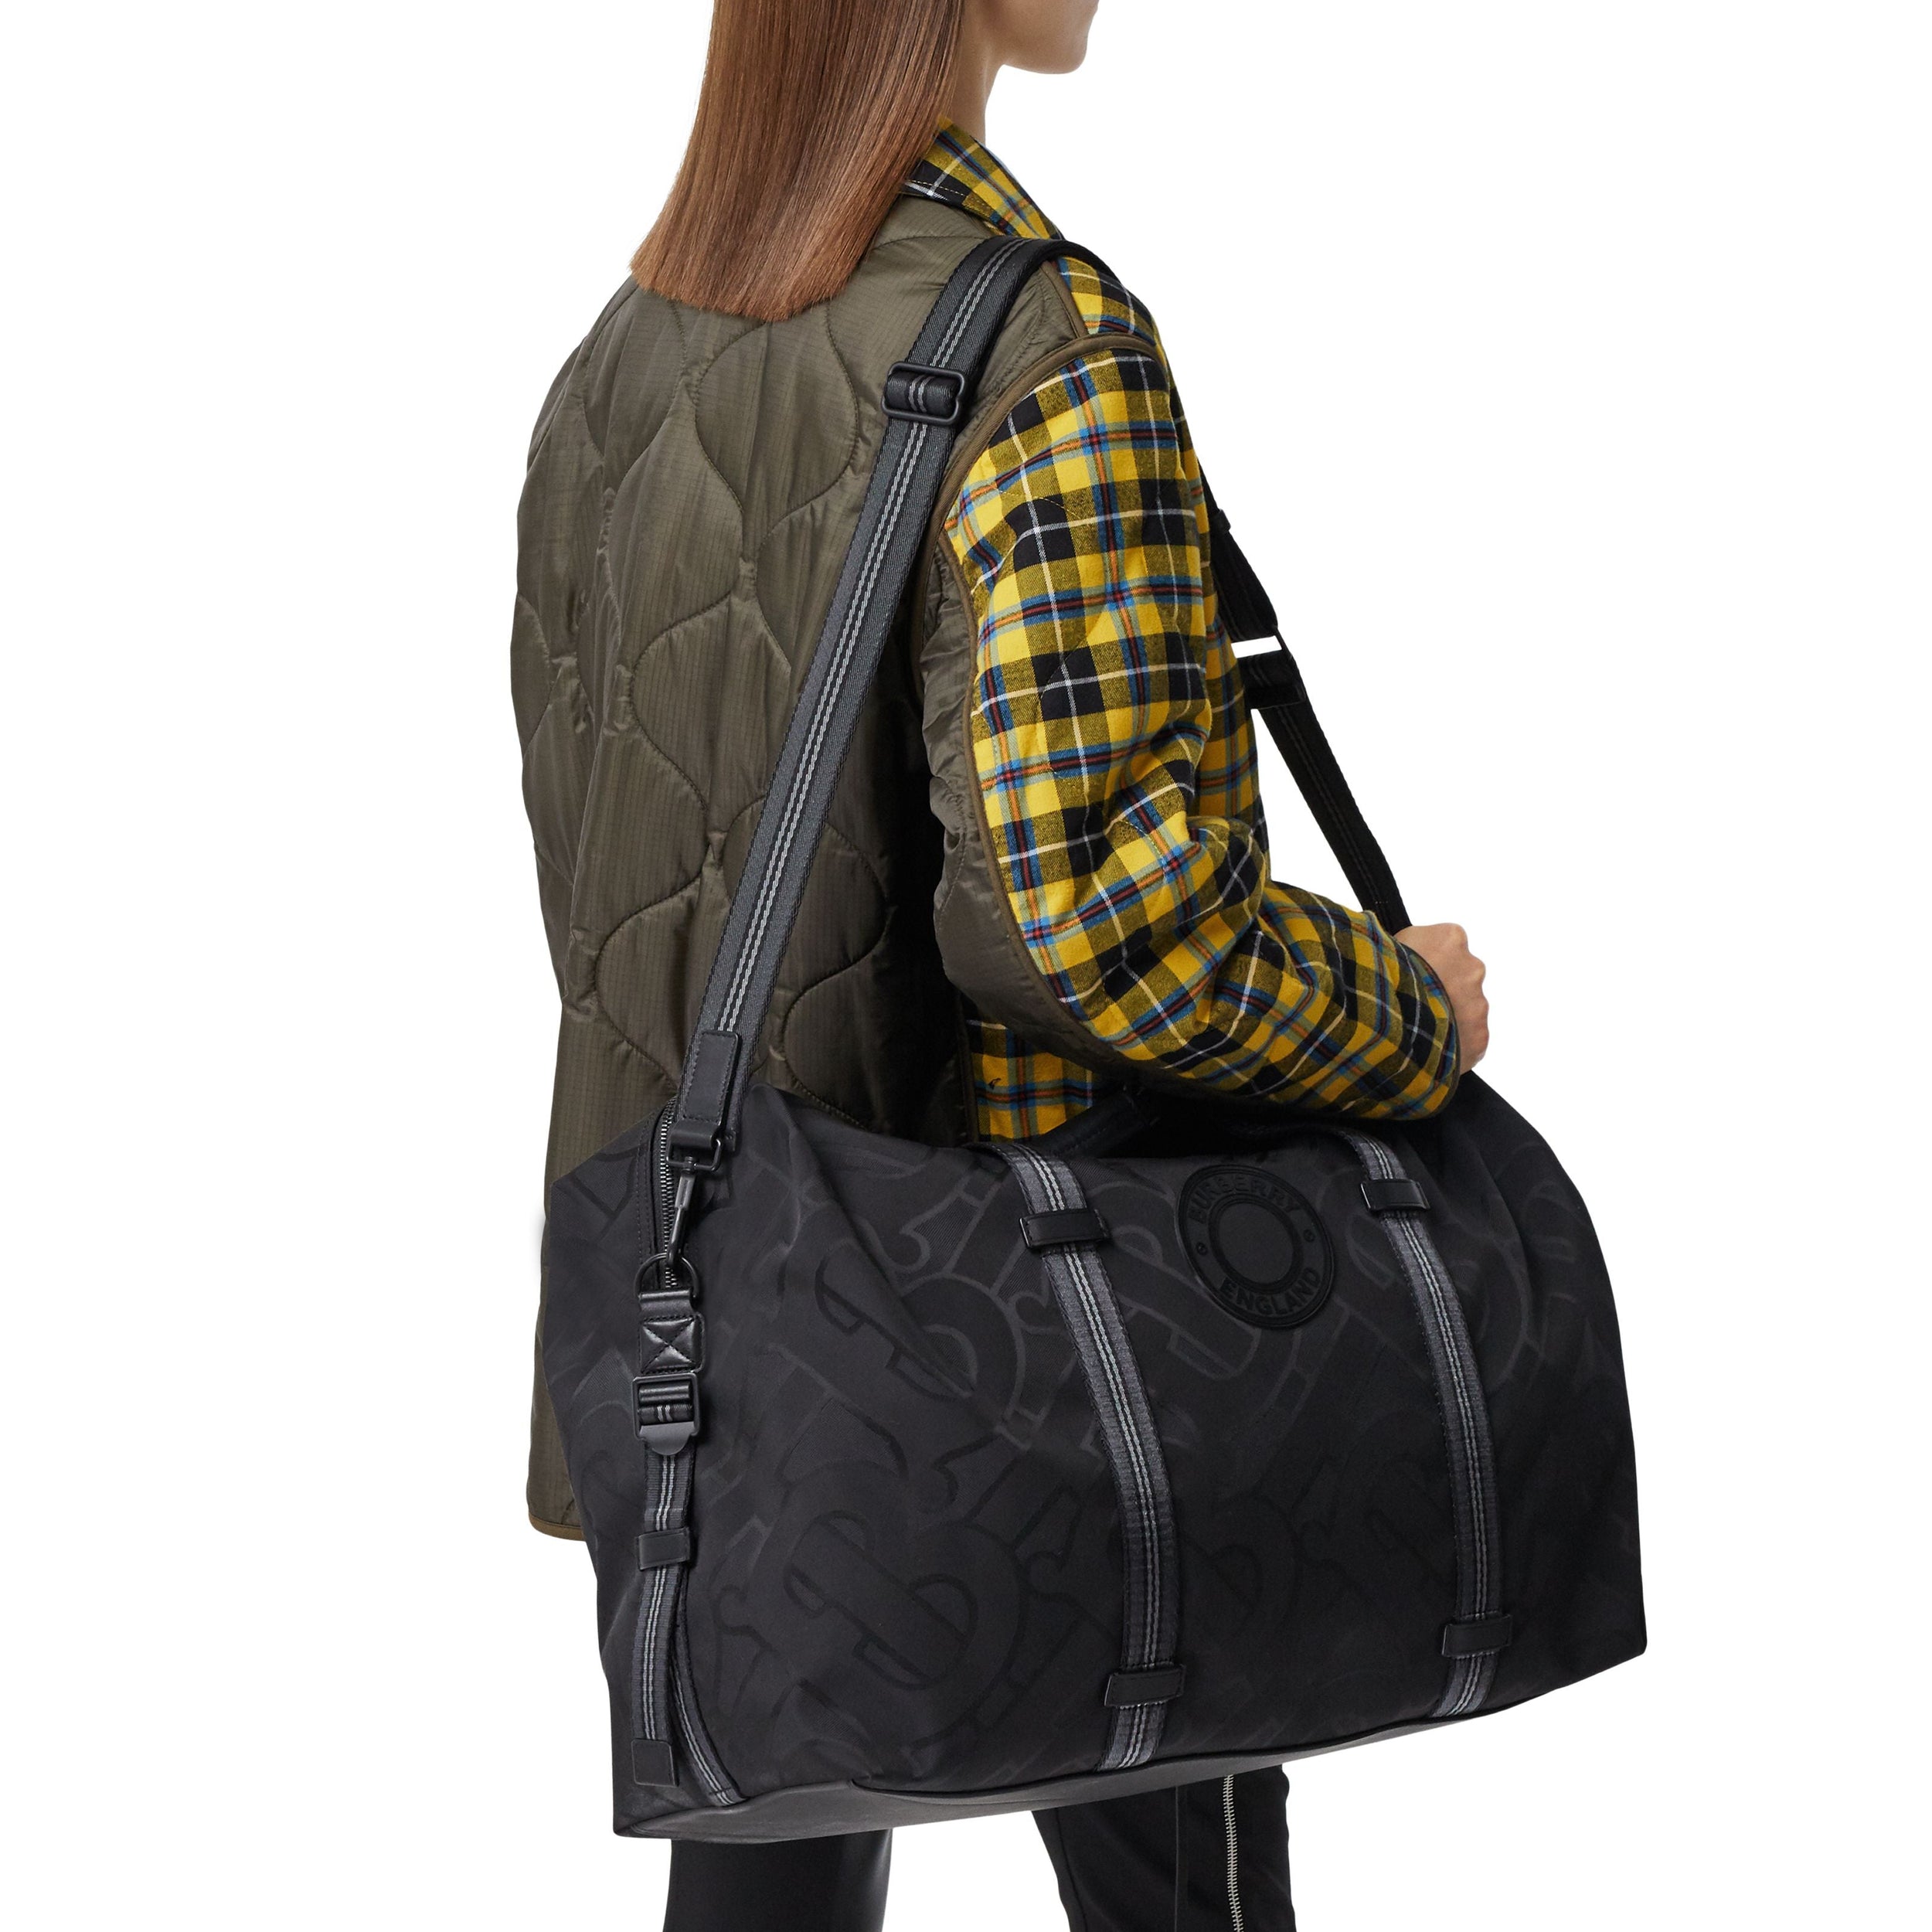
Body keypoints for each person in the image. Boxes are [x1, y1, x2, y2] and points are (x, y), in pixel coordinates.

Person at [510, 2, 1489, 1926]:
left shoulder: (622, 364)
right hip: (1059, 1328)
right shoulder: (1038, 347)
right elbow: (1103, 922)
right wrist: (1405, 1010)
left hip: (723, 1337)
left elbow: (612, 868)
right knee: (1177, 1871)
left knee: (761, 1872)